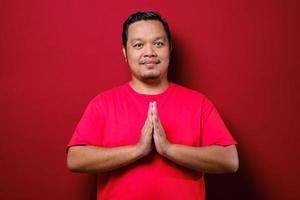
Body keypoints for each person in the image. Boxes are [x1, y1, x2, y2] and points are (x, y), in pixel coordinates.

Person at [66, 11, 239, 200]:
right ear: (125, 52)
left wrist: (168, 149)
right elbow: (75, 159)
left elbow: (230, 160)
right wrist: (138, 150)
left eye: (158, 43)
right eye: (138, 45)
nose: (149, 52)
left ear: (170, 48)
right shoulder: (102, 104)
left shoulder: (199, 103)